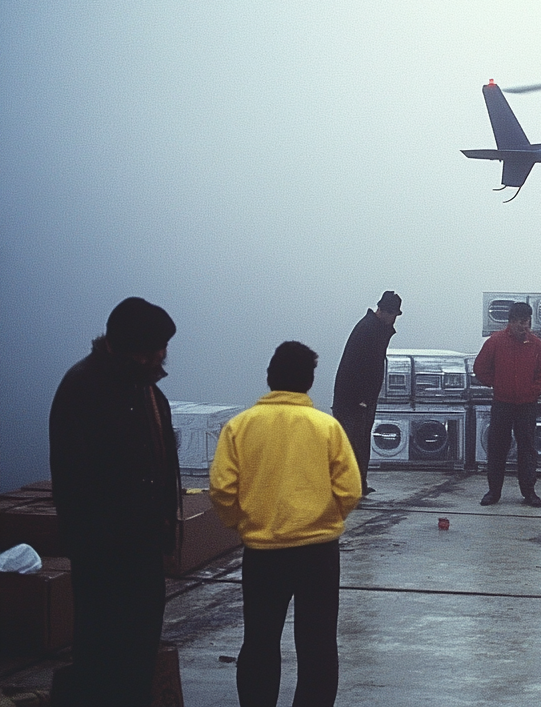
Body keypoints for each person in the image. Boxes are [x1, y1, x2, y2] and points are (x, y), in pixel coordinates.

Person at [210, 341, 361, 707]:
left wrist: (243, 524)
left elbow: (221, 489)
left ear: (269, 378)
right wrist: (326, 520)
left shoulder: (240, 427)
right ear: (309, 381)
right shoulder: (326, 427)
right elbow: (350, 489)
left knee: (260, 642)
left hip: (262, 553)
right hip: (319, 554)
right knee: (318, 645)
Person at [49, 296, 182, 706]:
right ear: (129, 350)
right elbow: (76, 483)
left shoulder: (145, 392)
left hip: (142, 553)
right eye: (154, 349)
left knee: (138, 656)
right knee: (104, 658)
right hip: (104, 558)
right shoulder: (83, 389)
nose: (162, 356)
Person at [474, 301, 541, 507]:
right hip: (502, 403)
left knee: (527, 449)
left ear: (530, 322)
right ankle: (493, 492)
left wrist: (533, 391)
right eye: (518, 322)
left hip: (527, 406)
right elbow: (480, 367)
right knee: (497, 448)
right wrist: (496, 384)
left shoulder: (537, 345)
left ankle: (529, 492)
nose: (522, 327)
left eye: (525, 322)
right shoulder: (495, 342)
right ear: (510, 322)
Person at [331, 291, 401, 496]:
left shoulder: (374, 328)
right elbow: (358, 367)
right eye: (393, 315)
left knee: (360, 443)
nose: (394, 319)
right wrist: (362, 399)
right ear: (383, 311)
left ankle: (358, 485)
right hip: (354, 400)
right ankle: (349, 488)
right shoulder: (369, 330)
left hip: (359, 399)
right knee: (352, 444)